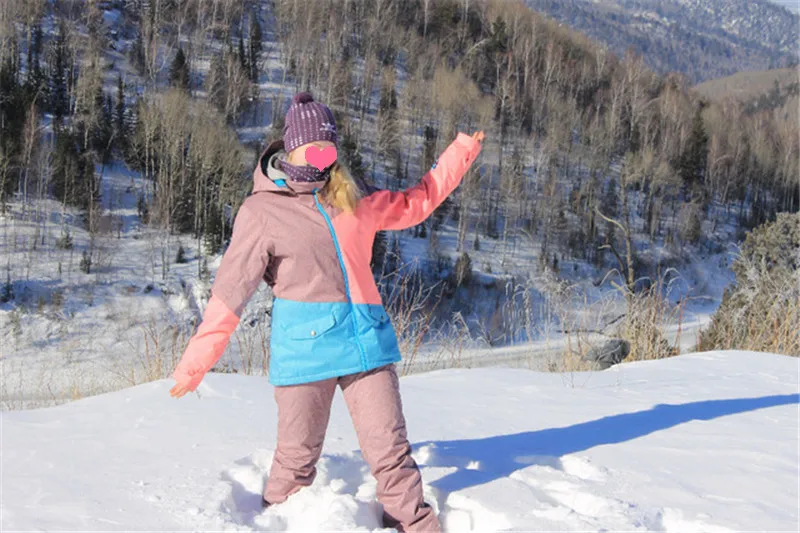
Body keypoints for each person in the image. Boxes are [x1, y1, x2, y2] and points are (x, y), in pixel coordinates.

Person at [169, 91, 484, 532]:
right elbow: (230, 292)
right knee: (296, 460)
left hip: (366, 346)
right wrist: (195, 363)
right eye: (313, 148)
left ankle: (416, 526)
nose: (321, 159)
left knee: (391, 453)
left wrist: (460, 152)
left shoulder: (351, 198)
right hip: (305, 354)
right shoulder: (261, 212)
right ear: (290, 146)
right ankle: (273, 522)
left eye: (329, 149)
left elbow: (419, 202)